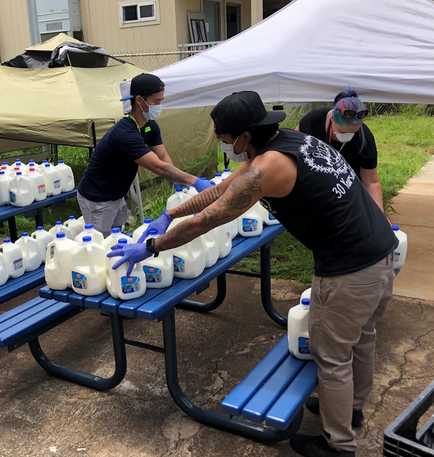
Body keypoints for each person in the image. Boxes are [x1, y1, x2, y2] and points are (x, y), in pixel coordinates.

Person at [110, 91, 397, 457]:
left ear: (244, 136)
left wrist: (152, 247)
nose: (225, 145)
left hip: (350, 270)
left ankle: (338, 444)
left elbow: (210, 218)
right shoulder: (291, 141)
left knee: (334, 356)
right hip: (381, 253)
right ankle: (350, 409)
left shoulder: (266, 170)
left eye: (226, 139)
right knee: (362, 338)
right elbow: (221, 190)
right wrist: (170, 214)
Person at [77, 73, 213, 236]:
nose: (160, 106)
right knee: (99, 242)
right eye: (157, 101)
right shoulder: (125, 133)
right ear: (140, 101)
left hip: (117, 194)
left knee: (116, 235)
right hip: (97, 198)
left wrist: (177, 180)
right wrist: (194, 181)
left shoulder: (150, 126)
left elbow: (163, 157)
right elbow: (158, 166)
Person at [299, 88, 384, 210]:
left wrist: (380, 217)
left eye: (352, 133)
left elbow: (371, 182)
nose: (346, 137)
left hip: (348, 186)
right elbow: (295, 146)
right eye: (341, 132)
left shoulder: (364, 138)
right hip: (315, 183)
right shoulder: (312, 121)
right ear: (332, 118)